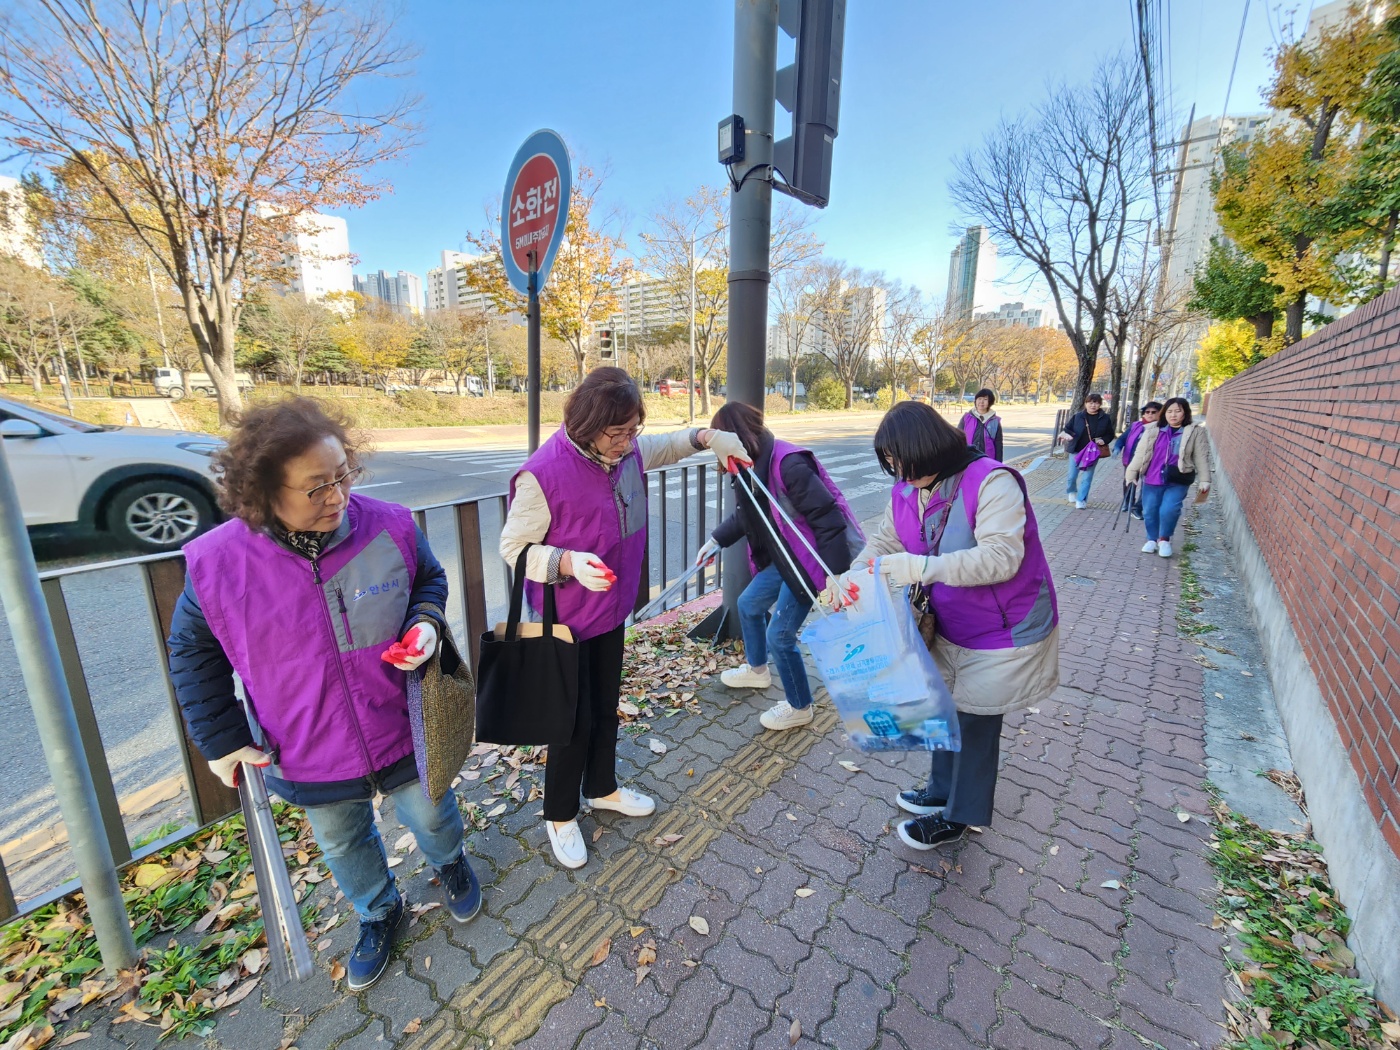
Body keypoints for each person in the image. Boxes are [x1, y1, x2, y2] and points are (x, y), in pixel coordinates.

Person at [167, 398, 482, 992]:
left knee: (434, 815)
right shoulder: (218, 563)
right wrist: (222, 738)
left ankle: (450, 864)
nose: (336, 497)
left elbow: (428, 581)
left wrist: (426, 623)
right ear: (263, 492)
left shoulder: (388, 523)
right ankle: (379, 912)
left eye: (343, 476)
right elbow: (192, 652)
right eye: (315, 488)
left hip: (402, 724)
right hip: (306, 745)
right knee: (342, 841)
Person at [499, 367, 750, 869]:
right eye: (618, 434)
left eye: (633, 431)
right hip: (566, 618)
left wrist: (709, 437)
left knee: (605, 707)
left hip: (609, 610)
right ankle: (560, 813)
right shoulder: (543, 474)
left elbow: (669, 445)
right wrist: (566, 562)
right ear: (589, 424)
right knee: (570, 721)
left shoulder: (626, 451)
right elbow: (513, 548)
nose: (628, 443)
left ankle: (602, 788)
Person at [827, 401, 1060, 850]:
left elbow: (1001, 557)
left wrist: (916, 567)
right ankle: (939, 789)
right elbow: (887, 538)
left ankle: (958, 817)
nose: (899, 473)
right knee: (943, 707)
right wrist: (853, 576)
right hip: (950, 619)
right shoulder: (907, 488)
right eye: (891, 465)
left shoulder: (992, 481)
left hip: (1004, 627)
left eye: (903, 462)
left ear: (929, 447)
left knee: (975, 721)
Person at [694, 402, 863, 733]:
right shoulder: (750, 466)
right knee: (749, 604)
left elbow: (828, 520)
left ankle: (800, 705)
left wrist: (836, 574)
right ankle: (758, 671)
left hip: (809, 562)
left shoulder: (788, 464)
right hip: (785, 558)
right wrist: (715, 541)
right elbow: (748, 515)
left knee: (781, 636)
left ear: (737, 436)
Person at [1124, 396, 1210, 558]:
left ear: (1185, 413)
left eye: (1178, 411)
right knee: (1149, 510)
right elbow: (1140, 454)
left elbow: (1201, 456)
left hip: (1178, 479)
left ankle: (1164, 539)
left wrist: (1205, 480)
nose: (1173, 415)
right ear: (1164, 413)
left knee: (1169, 509)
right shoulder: (1152, 430)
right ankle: (1151, 539)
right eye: (1170, 411)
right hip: (1152, 477)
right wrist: (1131, 473)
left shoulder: (1195, 432)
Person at [1058, 393, 1116, 509]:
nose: (1093, 405)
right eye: (1090, 402)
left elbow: (1110, 434)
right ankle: (1072, 491)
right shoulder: (1078, 416)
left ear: (1100, 404)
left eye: (1096, 403)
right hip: (1076, 450)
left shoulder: (1105, 418)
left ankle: (1081, 500)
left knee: (1087, 477)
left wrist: (1103, 440)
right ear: (1086, 403)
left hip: (1092, 452)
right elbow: (1067, 429)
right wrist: (1069, 435)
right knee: (1072, 476)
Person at [1112, 402, 1161, 520]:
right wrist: (1117, 448)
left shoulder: (1161, 428)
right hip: (1131, 459)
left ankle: (1138, 508)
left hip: (1151, 462)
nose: (1150, 414)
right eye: (1147, 412)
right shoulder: (1136, 426)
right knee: (1129, 482)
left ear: (1160, 413)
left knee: (1146, 485)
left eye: (1153, 412)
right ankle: (1128, 502)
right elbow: (1122, 438)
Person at [960, 388, 1004, 462]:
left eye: (985, 399)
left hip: (988, 460)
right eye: (979, 399)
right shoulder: (966, 418)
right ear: (975, 401)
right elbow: (958, 438)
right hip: (968, 459)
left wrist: (999, 463)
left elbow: (998, 444)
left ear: (990, 402)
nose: (981, 402)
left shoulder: (995, 421)